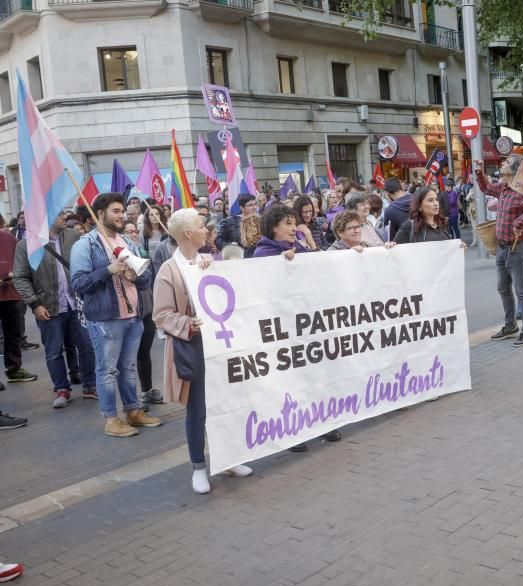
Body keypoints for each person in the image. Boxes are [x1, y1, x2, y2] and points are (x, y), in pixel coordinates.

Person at [153, 209, 253, 494]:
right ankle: (198, 467)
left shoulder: (206, 260)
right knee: (197, 411)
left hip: (219, 344)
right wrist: (188, 323)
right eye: (200, 226)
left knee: (225, 404)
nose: (206, 229)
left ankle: (228, 459)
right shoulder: (168, 271)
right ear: (188, 233)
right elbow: (160, 315)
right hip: (192, 347)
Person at [69, 193, 161, 437]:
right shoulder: (84, 244)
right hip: (105, 320)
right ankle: (111, 419)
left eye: (122, 211)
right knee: (107, 370)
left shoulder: (128, 243)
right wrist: (107, 270)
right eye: (116, 211)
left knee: (129, 368)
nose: (121, 216)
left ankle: (132, 411)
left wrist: (137, 277)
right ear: (100, 214)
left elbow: (146, 277)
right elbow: (78, 283)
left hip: (133, 317)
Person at [255, 205, 340, 451]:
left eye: (294, 222)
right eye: (288, 223)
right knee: (290, 381)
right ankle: (291, 432)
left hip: (307, 323)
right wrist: (281, 266)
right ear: (274, 228)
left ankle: (321, 422)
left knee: (313, 375)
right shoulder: (263, 254)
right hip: (283, 329)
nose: (294, 227)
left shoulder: (299, 247)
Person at [13, 211, 96, 408]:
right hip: (48, 306)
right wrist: (34, 303)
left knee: (87, 346)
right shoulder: (26, 245)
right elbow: (20, 277)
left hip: (76, 304)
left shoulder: (75, 237)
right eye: (58, 213)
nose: (64, 216)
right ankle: (62, 389)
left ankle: (90, 385)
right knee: (53, 351)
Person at [475, 156, 523, 348]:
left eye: (506, 162)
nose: (502, 163)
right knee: (503, 288)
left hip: (518, 248)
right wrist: (479, 172)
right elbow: (485, 188)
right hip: (502, 247)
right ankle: (510, 326)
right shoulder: (503, 187)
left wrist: (519, 222)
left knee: (522, 291)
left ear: (515, 169)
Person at [124, 221, 163, 407]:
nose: (133, 234)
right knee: (129, 357)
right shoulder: (118, 257)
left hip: (147, 308)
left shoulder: (143, 254)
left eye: (134, 231)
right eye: (128, 231)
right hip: (130, 312)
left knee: (144, 353)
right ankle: (132, 398)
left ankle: (147, 390)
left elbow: (151, 280)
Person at [0, 227, 38, 385]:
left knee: (14, 335)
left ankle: (14, 370)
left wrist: (14, 274)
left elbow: (20, 261)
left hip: (11, 294)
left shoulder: (8, 238)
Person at [393, 186, 461, 245]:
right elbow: (395, 250)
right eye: (430, 200)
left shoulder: (443, 223)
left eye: (436, 200)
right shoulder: (409, 227)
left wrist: (458, 248)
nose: (436, 204)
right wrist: (390, 246)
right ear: (419, 206)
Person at [330, 210, 397, 253]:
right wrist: (350, 254)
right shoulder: (333, 251)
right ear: (340, 232)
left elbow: (380, 260)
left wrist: (387, 249)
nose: (357, 231)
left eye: (358, 226)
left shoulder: (365, 245)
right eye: (352, 228)